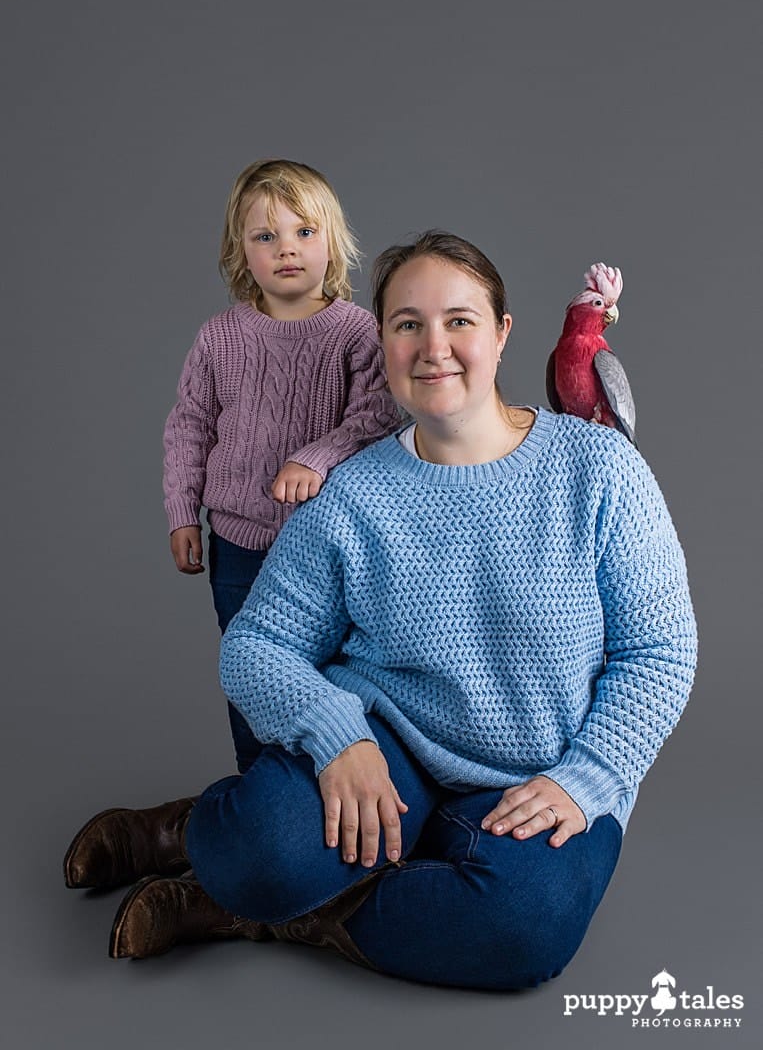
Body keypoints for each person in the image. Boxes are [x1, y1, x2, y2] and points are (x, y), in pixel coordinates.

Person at [64, 232, 696, 990]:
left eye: (459, 320)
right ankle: (202, 845)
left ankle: (276, 910)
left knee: (522, 927)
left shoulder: (598, 469)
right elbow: (256, 644)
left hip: (542, 773)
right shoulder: (353, 495)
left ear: (500, 334)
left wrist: (589, 777)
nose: (434, 346)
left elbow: (658, 652)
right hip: (383, 754)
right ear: (384, 343)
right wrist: (336, 737)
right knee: (253, 850)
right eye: (407, 324)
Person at [162, 158, 398, 773]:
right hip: (238, 543)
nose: (285, 249)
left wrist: (315, 458)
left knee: (327, 680)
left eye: (303, 232)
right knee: (250, 677)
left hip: (326, 546)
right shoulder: (219, 338)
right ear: (241, 251)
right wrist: (183, 513)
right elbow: (189, 427)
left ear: (332, 241)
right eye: (265, 236)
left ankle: (331, 798)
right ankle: (257, 799)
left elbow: (376, 418)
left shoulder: (357, 334)